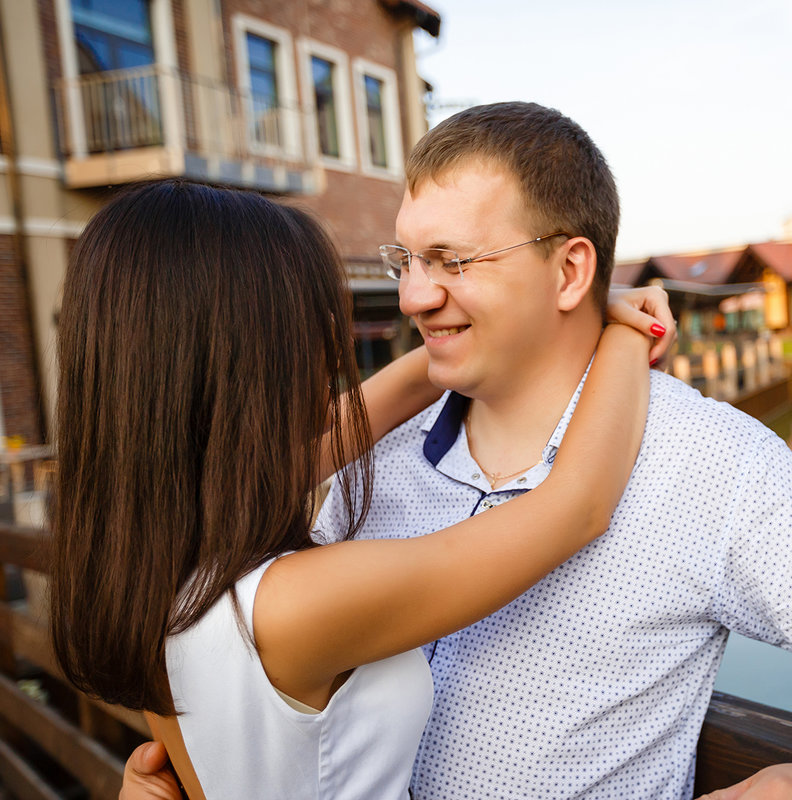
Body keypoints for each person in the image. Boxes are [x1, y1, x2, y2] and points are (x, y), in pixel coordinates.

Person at [124, 103, 792, 800]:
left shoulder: (714, 459)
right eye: (408, 260)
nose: (415, 297)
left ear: (570, 273)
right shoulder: (357, 462)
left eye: (452, 260)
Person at [50, 179, 677, 799]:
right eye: (315, 324)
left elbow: (365, 414)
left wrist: (519, 317)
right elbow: (576, 508)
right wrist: (629, 336)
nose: (333, 347)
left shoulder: (153, 564)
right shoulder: (291, 606)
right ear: (248, 362)